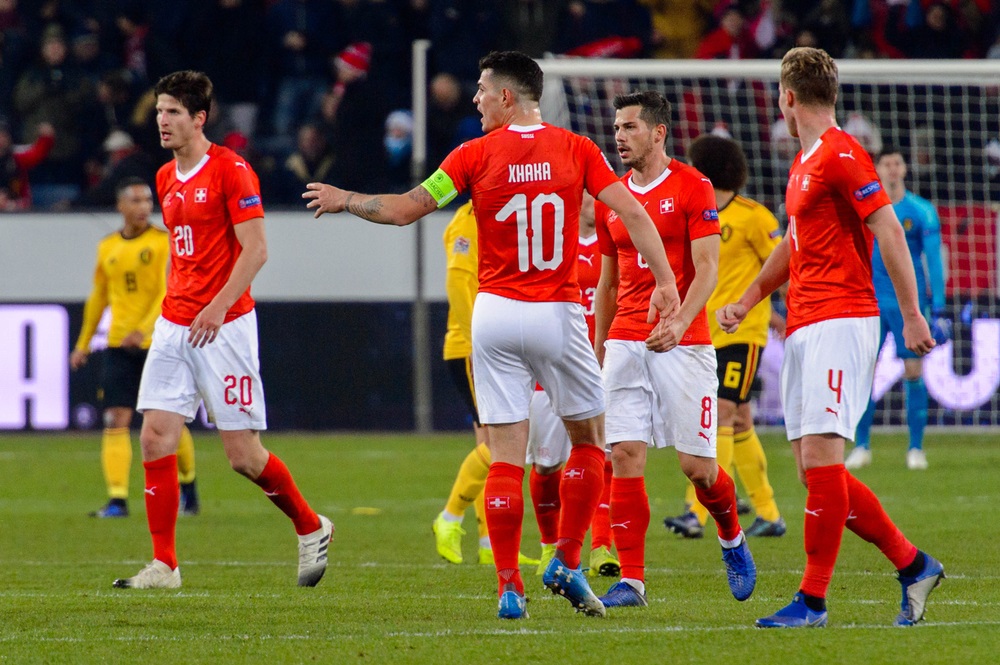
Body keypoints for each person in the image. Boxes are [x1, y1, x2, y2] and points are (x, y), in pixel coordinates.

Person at [304, 50, 680, 620]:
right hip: (557, 312)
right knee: (590, 443)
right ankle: (567, 560)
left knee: (505, 455)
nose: (475, 99)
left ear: (508, 96)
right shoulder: (578, 149)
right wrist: (668, 283)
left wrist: (344, 199)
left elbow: (406, 210)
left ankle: (509, 587)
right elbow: (632, 212)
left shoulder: (471, 155)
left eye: (482, 90)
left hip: (495, 315)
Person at [718, 47, 945, 628]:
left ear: (789, 98)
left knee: (822, 461)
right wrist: (748, 298)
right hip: (804, 323)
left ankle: (812, 600)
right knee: (813, 471)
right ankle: (913, 564)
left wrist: (914, 314)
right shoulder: (805, 162)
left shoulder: (843, 154)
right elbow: (792, 246)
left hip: (842, 320)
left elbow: (888, 228)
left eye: (778, 96)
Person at [113, 70, 332, 590]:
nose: (161, 121)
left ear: (199, 118)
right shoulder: (165, 178)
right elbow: (183, 252)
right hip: (175, 325)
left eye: (172, 113)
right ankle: (164, 564)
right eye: (160, 111)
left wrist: (216, 305)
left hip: (225, 326)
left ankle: (311, 525)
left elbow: (256, 249)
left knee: (241, 455)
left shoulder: (232, 171)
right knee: (154, 436)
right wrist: (176, 307)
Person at [592, 91, 756, 611]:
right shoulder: (611, 197)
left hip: (684, 343)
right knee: (623, 455)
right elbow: (608, 283)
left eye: (631, 126)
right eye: (617, 127)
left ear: (658, 133)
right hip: (624, 340)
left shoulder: (693, 186)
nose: (620, 135)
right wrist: (597, 348)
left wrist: (681, 320)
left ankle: (731, 536)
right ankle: (632, 582)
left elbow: (707, 267)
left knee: (697, 468)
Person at [663, 134, 786, 539]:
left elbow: (784, 268)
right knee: (740, 419)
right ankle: (768, 512)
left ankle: (696, 512)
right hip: (704, 336)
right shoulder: (696, 215)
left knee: (719, 414)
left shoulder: (755, 217)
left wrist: (783, 312)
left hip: (743, 333)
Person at [70, 177, 199, 519]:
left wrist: (144, 330)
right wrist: (83, 344)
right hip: (117, 345)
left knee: (168, 422)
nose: (144, 207)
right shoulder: (108, 247)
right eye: (136, 200)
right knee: (115, 417)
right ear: (120, 206)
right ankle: (117, 500)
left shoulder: (162, 243)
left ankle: (189, 487)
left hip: (160, 342)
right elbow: (98, 297)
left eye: (147, 201)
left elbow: (168, 290)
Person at [432, 199, 538, 568]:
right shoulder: (467, 221)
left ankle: (489, 542)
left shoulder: (494, 216)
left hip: (487, 344)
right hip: (471, 348)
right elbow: (457, 282)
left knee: (490, 444)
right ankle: (449, 517)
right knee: (500, 443)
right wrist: (477, 341)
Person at [528, 191, 619, 580]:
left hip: (602, 364)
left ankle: (600, 546)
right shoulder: (553, 244)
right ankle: (549, 544)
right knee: (547, 466)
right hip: (553, 365)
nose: (589, 202)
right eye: (583, 195)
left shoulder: (613, 245)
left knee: (606, 455)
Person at [847, 147, 949, 471]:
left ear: (904, 169)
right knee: (865, 374)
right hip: (869, 301)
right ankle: (861, 446)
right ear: (877, 170)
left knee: (914, 372)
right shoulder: (861, 208)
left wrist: (940, 307)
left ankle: (915, 448)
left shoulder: (921, 211)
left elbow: (932, 260)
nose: (892, 169)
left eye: (897, 163)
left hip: (909, 303)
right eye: (886, 164)